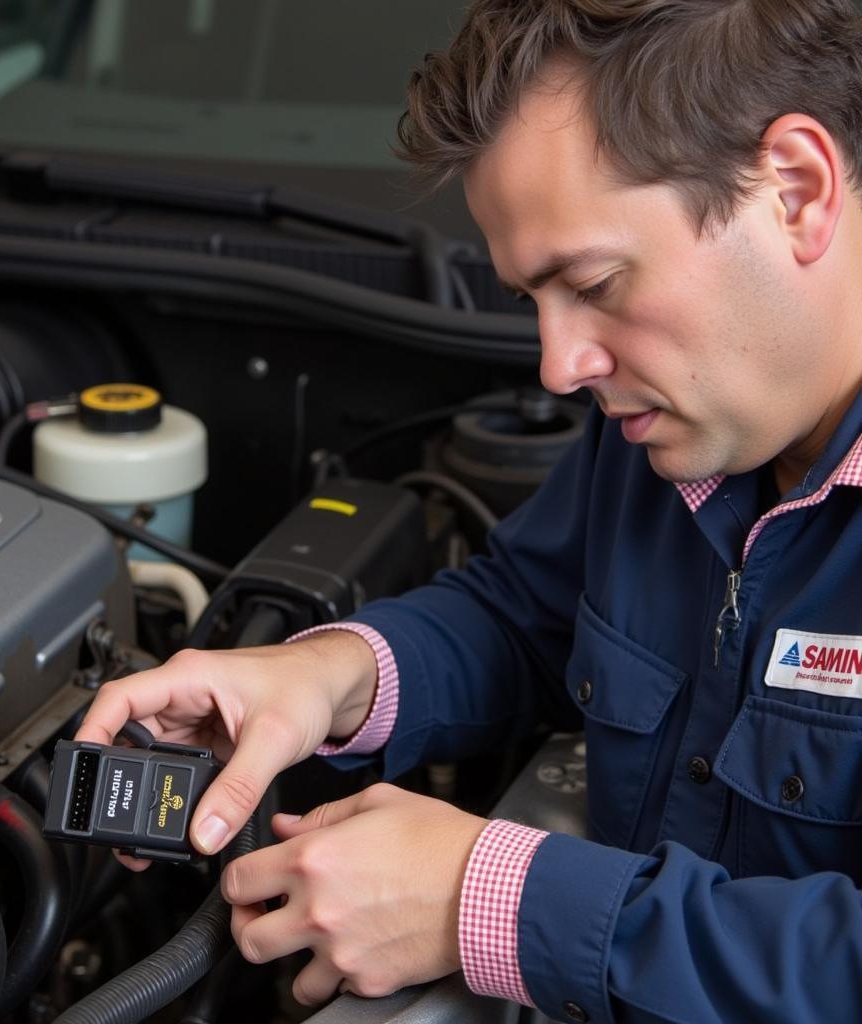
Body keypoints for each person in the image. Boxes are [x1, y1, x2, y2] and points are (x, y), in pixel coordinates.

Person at [76, 1, 862, 1020]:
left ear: (795, 191)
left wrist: (489, 900)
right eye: (532, 300)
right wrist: (326, 676)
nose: (559, 363)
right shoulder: (684, 427)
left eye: (593, 282)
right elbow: (526, 615)